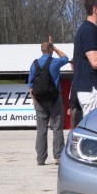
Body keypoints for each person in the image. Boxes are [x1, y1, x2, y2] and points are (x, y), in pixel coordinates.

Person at [27, 36, 69, 166]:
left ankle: (41, 158)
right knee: (57, 128)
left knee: (41, 130)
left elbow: (30, 85)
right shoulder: (55, 62)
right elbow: (66, 58)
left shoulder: (34, 64)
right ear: (50, 50)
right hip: (54, 99)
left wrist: (34, 100)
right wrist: (54, 46)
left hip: (39, 100)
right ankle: (58, 156)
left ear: (41, 50)